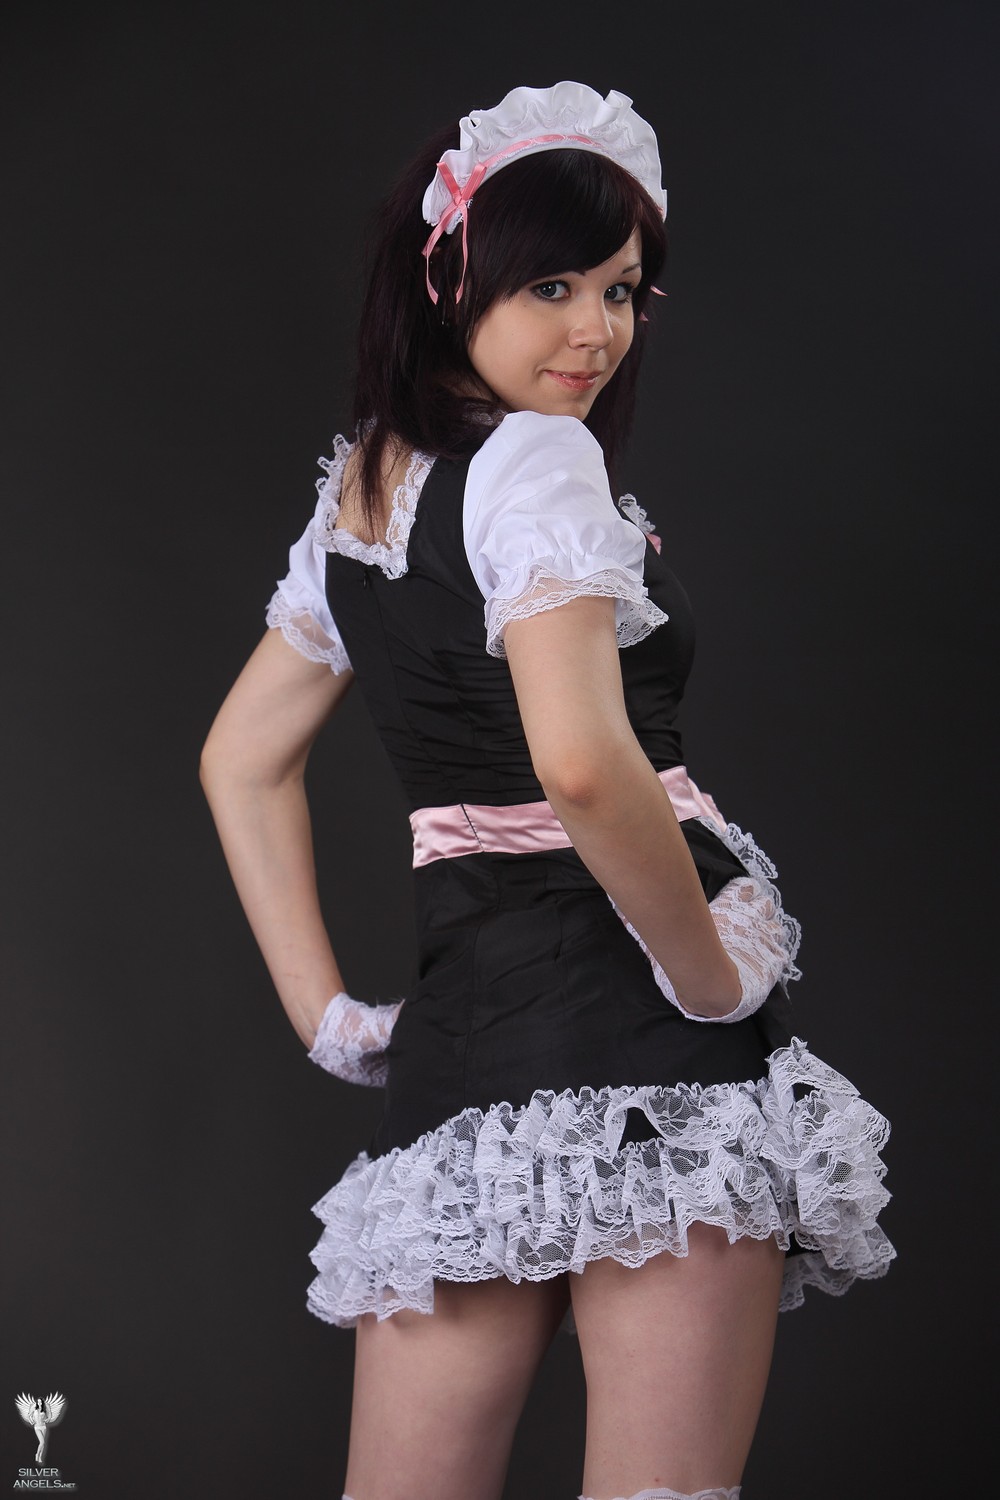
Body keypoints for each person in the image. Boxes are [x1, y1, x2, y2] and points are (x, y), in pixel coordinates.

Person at [200, 82, 895, 1500]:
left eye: (623, 291)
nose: (597, 331)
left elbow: (240, 758)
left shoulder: (366, 490)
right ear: (451, 279)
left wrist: (330, 1018)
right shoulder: (539, 459)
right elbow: (580, 763)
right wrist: (706, 974)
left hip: (467, 1046)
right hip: (651, 1042)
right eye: (554, 287)